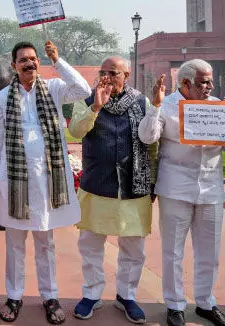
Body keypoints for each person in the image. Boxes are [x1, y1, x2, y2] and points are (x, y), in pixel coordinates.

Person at [0, 41, 89, 324]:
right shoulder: (2, 97)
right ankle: (15, 295)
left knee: (46, 243)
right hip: (14, 184)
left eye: (33, 59)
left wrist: (58, 60)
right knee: (15, 244)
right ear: (14, 65)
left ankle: (50, 296)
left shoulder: (54, 89)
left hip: (46, 184)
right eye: (23, 60)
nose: (29, 63)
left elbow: (84, 89)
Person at [138, 60, 225, 326]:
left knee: (210, 250)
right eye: (203, 82)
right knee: (172, 250)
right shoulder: (167, 105)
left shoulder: (219, 105)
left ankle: (206, 302)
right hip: (176, 187)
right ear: (184, 83)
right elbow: (148, 137)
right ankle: (174, 305)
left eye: (210, 81)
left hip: (211, 187)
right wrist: (156, 105)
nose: (209, 87)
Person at [69, 56, 153, 324]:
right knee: (91, 245)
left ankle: (126, 296)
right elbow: (76, 131)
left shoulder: (141, 102)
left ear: (126, 75)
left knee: (134, 248)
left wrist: (153, 180)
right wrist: (95, 107)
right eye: (102, 72)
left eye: (113, 72)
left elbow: (152, 140)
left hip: (133, 186)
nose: (106, 77)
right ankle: (92, 294)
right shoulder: (87, 99)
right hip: (97, 185)